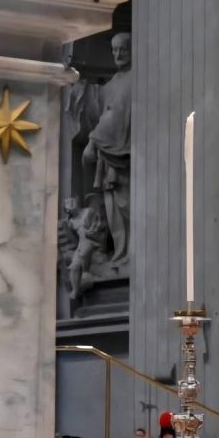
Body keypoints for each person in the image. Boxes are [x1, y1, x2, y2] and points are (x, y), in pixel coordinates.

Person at [81, 32, 132, 267]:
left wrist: (93, 141)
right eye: (114, 50)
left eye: (123, 49)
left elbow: (118, 116)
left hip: (127, 153)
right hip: (109, 153)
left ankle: (130, 252)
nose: (118, 55)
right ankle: (120, 253)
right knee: (113, 208)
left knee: (127, 205)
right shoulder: (110, 85)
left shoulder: (140, 79)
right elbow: (105, 116)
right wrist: (94, 141)